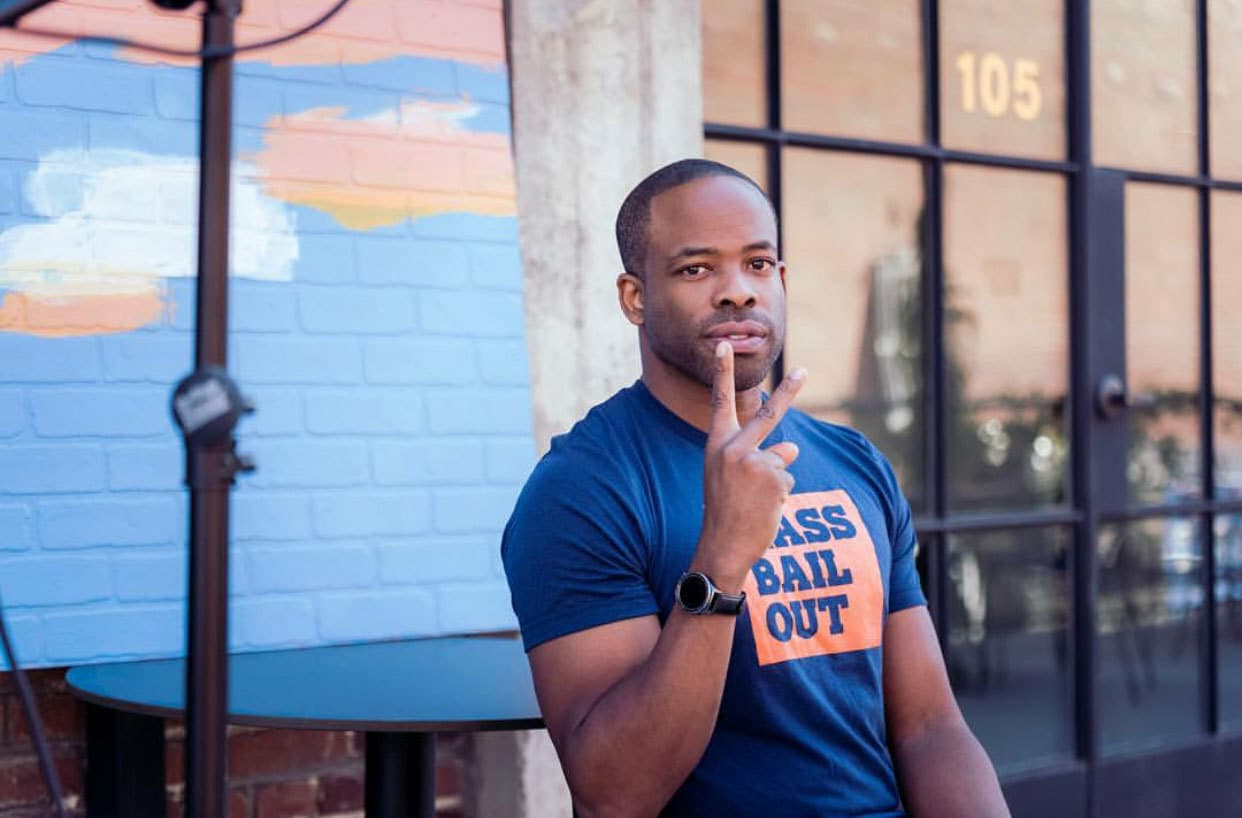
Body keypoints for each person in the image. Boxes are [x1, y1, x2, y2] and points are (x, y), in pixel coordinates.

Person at [501, 158, 1010, 818]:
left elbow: (931, 729)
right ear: (635, 297)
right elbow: (614, 794)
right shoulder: (581, 492)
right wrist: (720, 561)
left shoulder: (854, 462)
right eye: (696, 268)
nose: (737, 290)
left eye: (758, 264)